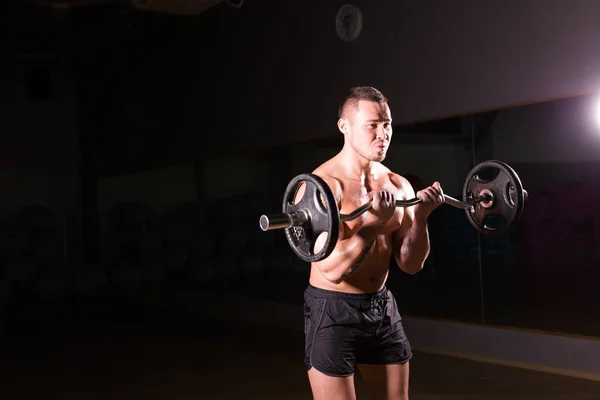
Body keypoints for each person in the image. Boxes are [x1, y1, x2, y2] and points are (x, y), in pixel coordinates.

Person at [300, 86, 444, 400]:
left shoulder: (396, 184)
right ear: (344, 126)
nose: (383, 134)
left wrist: (420, 217)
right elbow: (332, 269)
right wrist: (373, 224)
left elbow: (410, 264)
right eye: (372, 125)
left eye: (387, 124)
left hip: (380, 307)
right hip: (332, 310)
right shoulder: (323, 187)